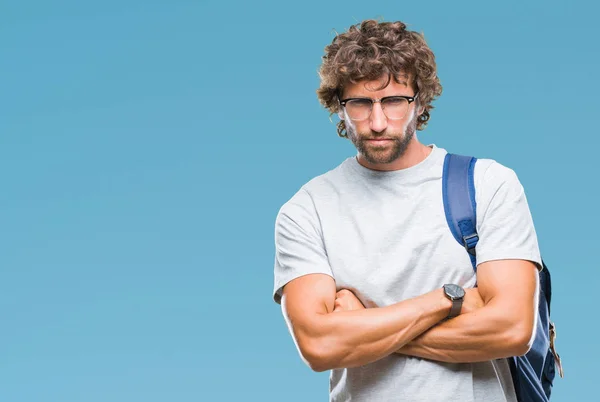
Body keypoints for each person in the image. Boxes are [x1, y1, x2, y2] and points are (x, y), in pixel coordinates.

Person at [272, 19, 541, 402]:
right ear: (339, 107)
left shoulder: (487, 184)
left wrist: (361, 324)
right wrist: (450, 299)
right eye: (361, 103)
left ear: (422, 101)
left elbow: (512, 329)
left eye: (395, 101)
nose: (378, 122)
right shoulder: (307, 210)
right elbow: (319, 345)